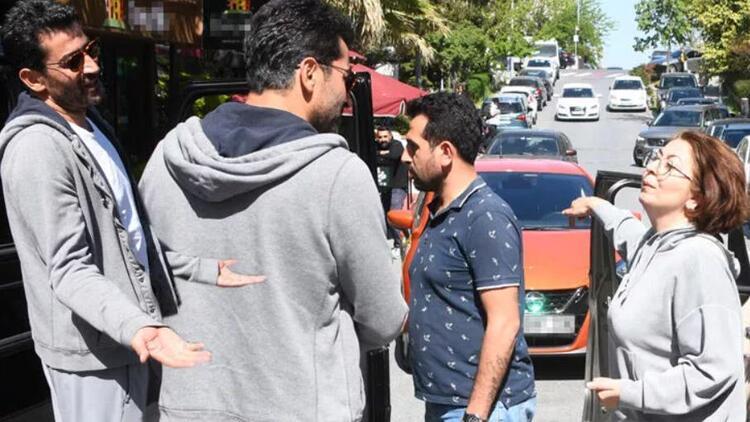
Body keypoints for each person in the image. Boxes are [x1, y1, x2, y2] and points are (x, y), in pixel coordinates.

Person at [138, 0, 408, 420]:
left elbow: (144, 281)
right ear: (310, 72)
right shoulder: (337, 175)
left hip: (188, 407)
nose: (347, 92)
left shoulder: (165, 162)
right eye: (347, 76)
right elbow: (383, 319)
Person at [0, 1, 255, 420]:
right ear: (33, 79)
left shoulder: (90, 125)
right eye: (72, 61)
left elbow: (129, 242)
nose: (92, 66)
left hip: (121, 338)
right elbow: (68, 269)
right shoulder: (37, 149)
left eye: (91, 50)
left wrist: (202, 269)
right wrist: (141, 328)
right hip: (93, 353)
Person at [563, 130, 748, 421]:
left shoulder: (700, 261)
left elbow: (713, 370)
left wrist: (629, 393)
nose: (652, 168)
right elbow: (628, 233)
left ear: (697, 199)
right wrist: (597, 205)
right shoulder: (656, 245)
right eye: (657, 158)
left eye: (670, 166)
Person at [402, 92, 536, 422]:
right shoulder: (440, 210)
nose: (405, 157)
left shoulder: (485, 216)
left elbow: (505, 322)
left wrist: (475, 415)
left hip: (481, 408)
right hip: (447, 402)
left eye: (413, 147)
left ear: (446, 152)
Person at [376, 126, 408, 211]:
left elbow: (394, 155)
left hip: (398, 185)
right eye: (380, 137)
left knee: (394, 210)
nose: (383, 139)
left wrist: (378, 153)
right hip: (384, 186)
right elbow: (370, 156)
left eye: (385, 136)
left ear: (390, 136)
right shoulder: (376, 145)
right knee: (382, 211)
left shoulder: (397, 144)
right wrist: (384, 153)